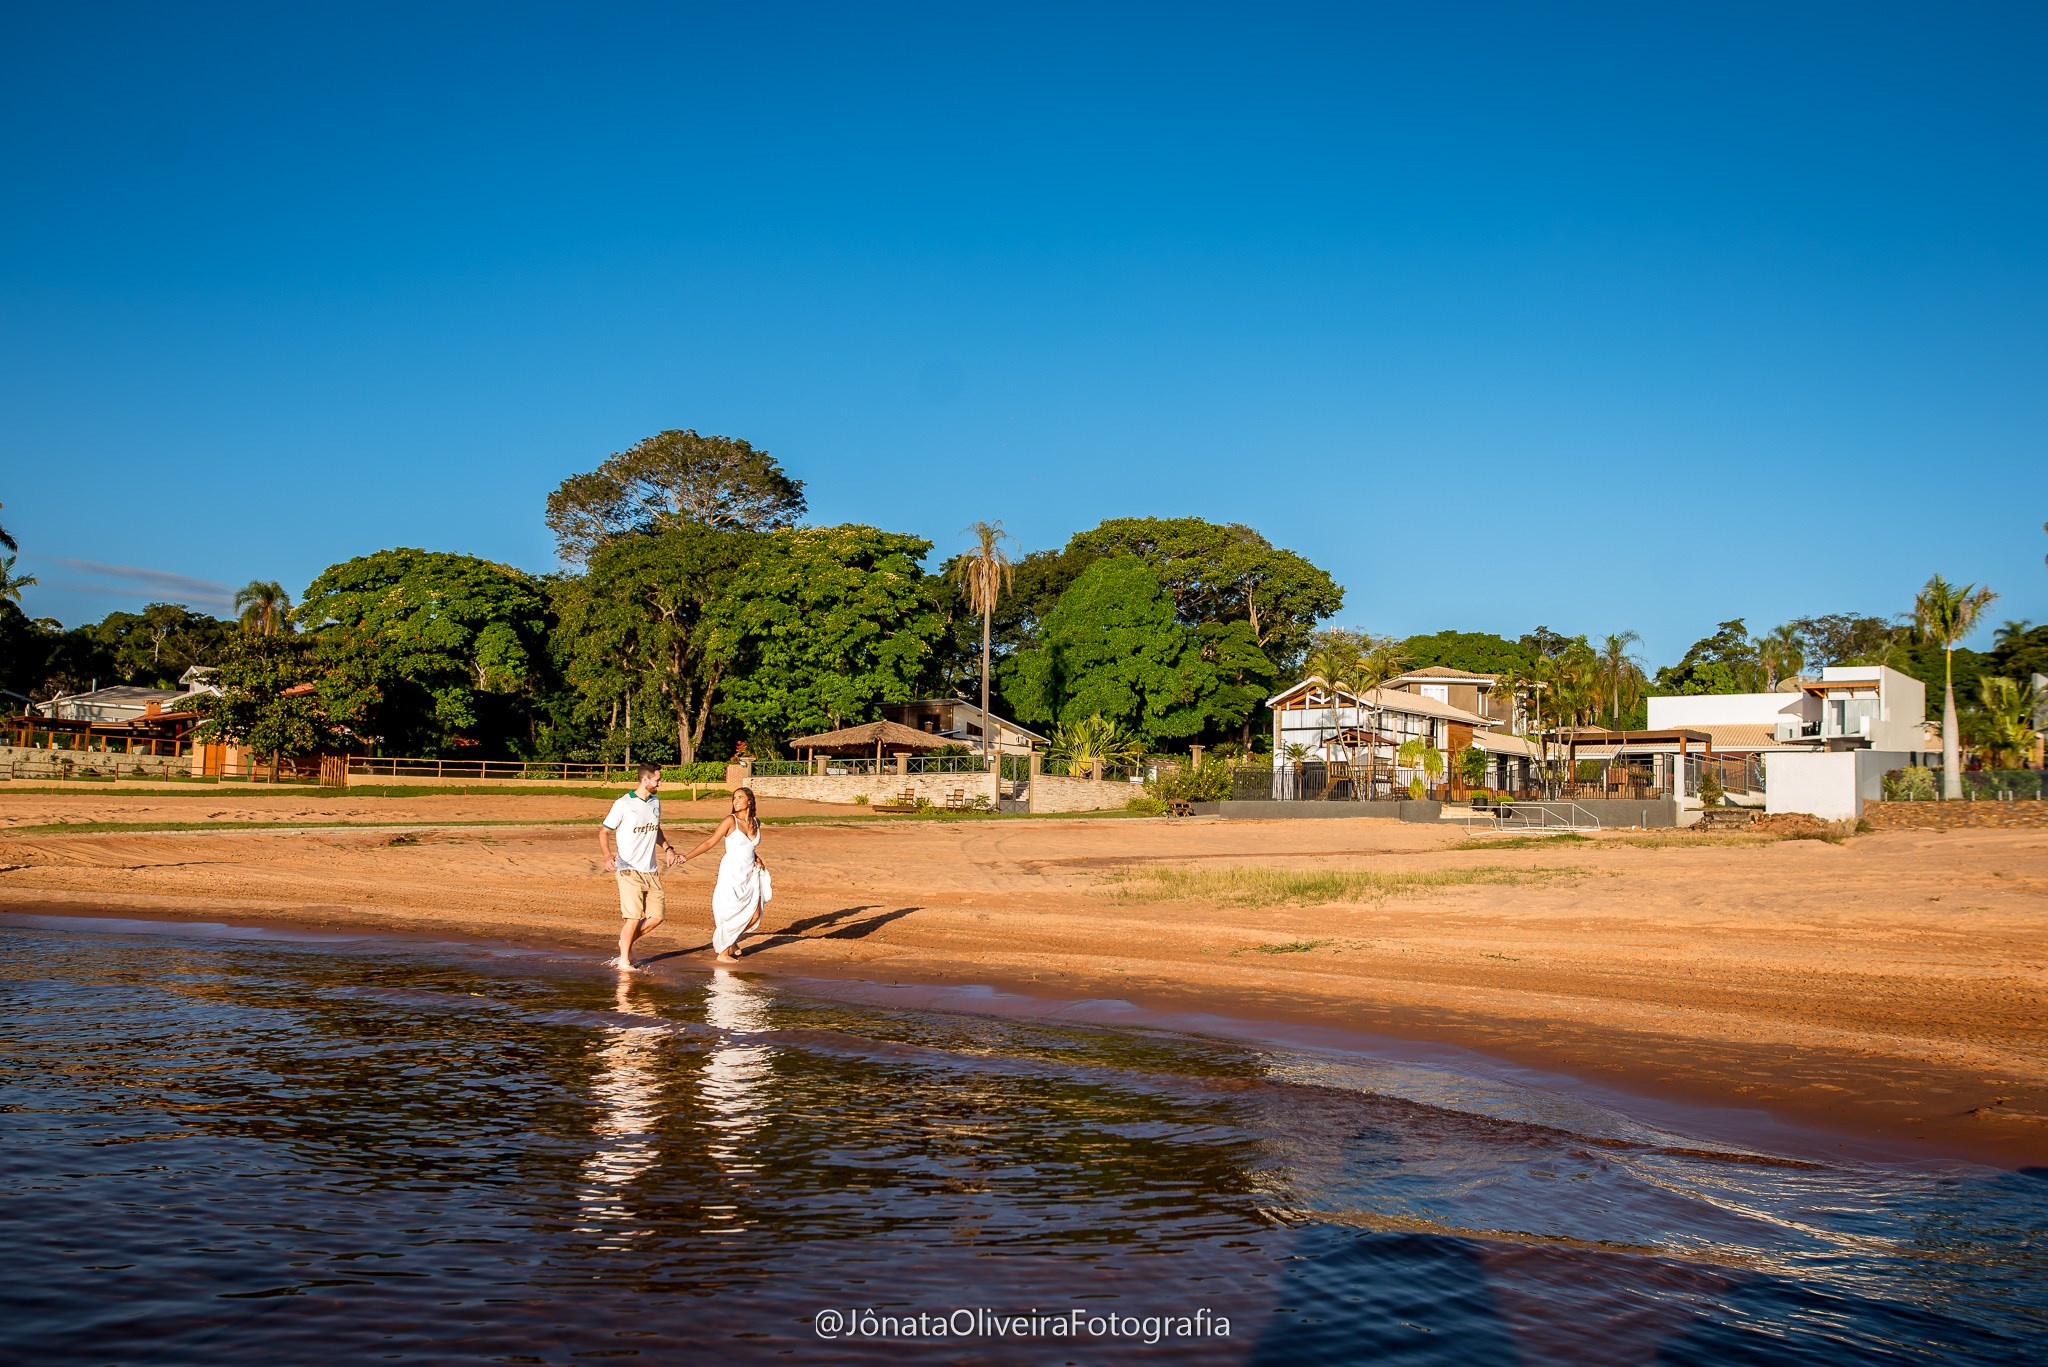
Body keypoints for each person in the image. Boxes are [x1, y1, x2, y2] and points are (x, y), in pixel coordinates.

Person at [599, 762, 680, 970]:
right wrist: (608, 856)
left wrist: (668, 848)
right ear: (645, 780)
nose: (660, 784)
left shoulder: (655, 802)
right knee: (633, 918)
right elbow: (604, 831)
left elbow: (656, 829)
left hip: (651, 870)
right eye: (657, 780)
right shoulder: (623, 804)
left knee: (656, 917)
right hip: (628, 869)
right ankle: (624, 962)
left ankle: (625, 942)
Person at [681, 786, 771, 963]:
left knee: (754, 913)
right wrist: (686, 857)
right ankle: (723, 952)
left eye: (739, 798)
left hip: (749, 873)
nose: (735, 801)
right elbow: (709, 842)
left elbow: (748, 847)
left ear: (749, 801)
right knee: (731, 910)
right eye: (734, 798)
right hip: (731, 872)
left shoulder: (756, 822)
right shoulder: (730, 821)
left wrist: (756, 857)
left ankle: (731, 940)